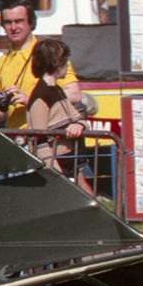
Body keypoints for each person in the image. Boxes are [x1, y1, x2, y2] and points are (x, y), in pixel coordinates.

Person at [0, 0, 82, 129]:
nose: (13, 27)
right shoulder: (1, 62)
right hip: (17, 139)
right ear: (2, 26)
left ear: (32, 23)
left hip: (45, 138)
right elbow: (0, 115)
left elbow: (74, 94)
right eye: (8, 22)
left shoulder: (49, 53)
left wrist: (33, 100)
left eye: (19, 21)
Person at [24, 37, 92, 194]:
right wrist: (56, 175)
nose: (68, 65)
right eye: (65, 60)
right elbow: (39, 140)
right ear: (56, 63)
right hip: (57, 165)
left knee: (87, 197)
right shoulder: (40, 97)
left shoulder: (58, 91)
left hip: (70, 159)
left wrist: (79, 125)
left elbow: (78, 118)